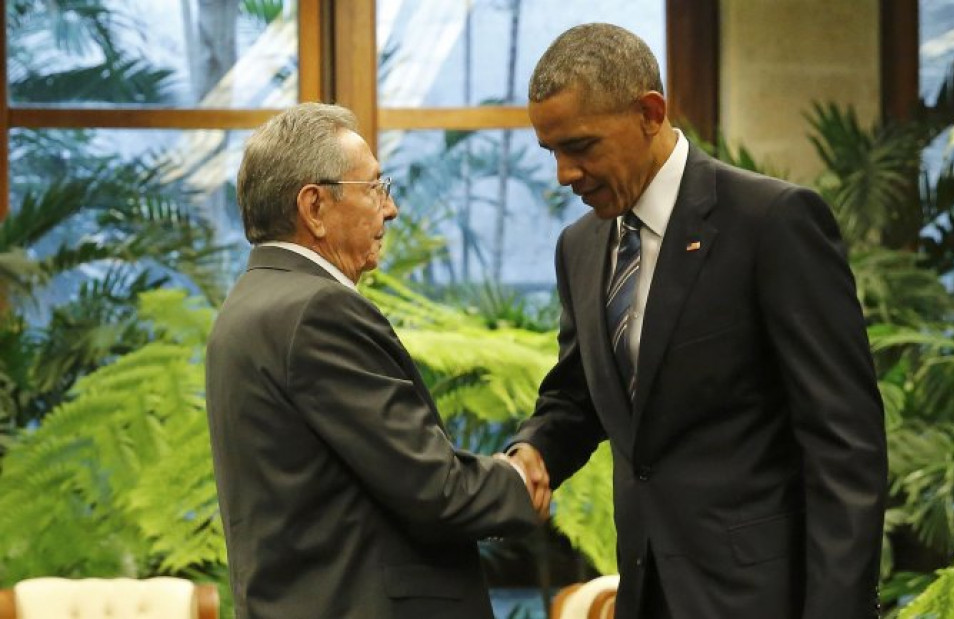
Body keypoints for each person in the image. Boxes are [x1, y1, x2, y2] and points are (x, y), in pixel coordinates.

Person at [507, 23, 887, 619]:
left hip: (764, 600)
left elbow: (845, 446)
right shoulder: (579, 247)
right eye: (550, 151)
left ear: (650, 113)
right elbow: (578, 397)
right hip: (643, 594)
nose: (563, 174)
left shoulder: (772, 222)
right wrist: (533, 451)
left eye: (580, 147)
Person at [205, 102, 540, 619]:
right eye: (375, 188)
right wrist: (521, 479)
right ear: (314, 207)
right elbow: (433, 489)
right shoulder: (319, 311)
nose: (390, 209)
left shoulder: (247, 304)